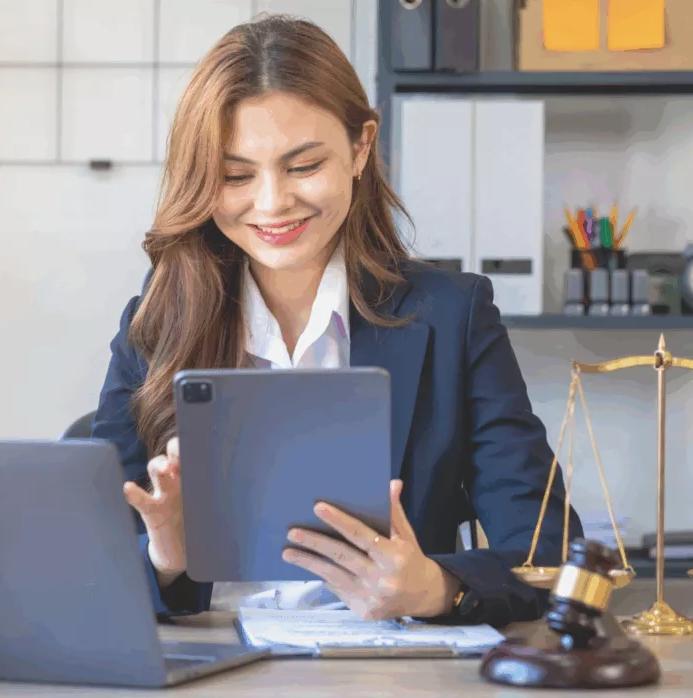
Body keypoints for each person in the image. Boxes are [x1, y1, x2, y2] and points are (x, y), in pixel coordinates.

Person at [90, 14, 580, 628]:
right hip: (206, 669)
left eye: (302, 167)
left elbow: (551, 552)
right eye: (235, 175)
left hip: (381, 674)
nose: (271, 203)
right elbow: (78, 565)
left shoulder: (454, 315)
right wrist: (164, 560)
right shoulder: (157, 322)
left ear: (360, 148)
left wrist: (435, 588)